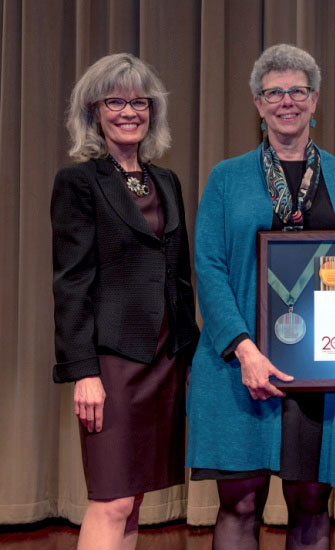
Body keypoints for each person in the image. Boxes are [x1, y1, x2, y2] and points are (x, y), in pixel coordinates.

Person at [186, 44, 335, 550]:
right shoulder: (226, 178)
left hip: (324, 370)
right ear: (257, 103)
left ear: (315, 100)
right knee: (240, 503)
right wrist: (244, 349)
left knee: (312, 502)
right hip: (239, 365)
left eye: (297, 91)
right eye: (274, 92)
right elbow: (208, 267)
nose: (286, 101)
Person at [50, 53, 199, 550]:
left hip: (165, 359)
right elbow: (71, 282)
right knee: (111, 499)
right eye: (116, 100)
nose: (129, 111)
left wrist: (191, 353)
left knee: (133, 499)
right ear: (95, 111)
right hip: (113, 362)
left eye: (139, 101)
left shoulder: (166, 181)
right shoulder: (79, 182)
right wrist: (83, 371)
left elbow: (178, 276)